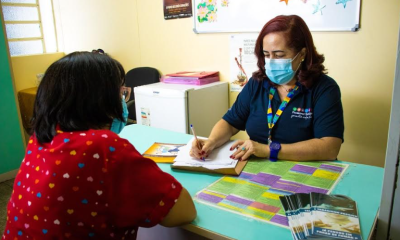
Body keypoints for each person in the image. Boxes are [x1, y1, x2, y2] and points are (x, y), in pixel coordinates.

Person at [3, 52, 196, 240]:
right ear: (100, 98)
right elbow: (183, 211)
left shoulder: (41, 136)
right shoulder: (103, 147)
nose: (122, 98)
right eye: (120, 91)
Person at [190, 15, 344, 162]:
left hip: (305, 172)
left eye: (279, 55)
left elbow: (329, 148)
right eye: (266, 55)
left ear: (302, 53)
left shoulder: (324, 89)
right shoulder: (257, 83)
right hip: (259, 171)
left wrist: (269, 150)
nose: (271, 61)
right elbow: (230, 124)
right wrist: (211, 142)